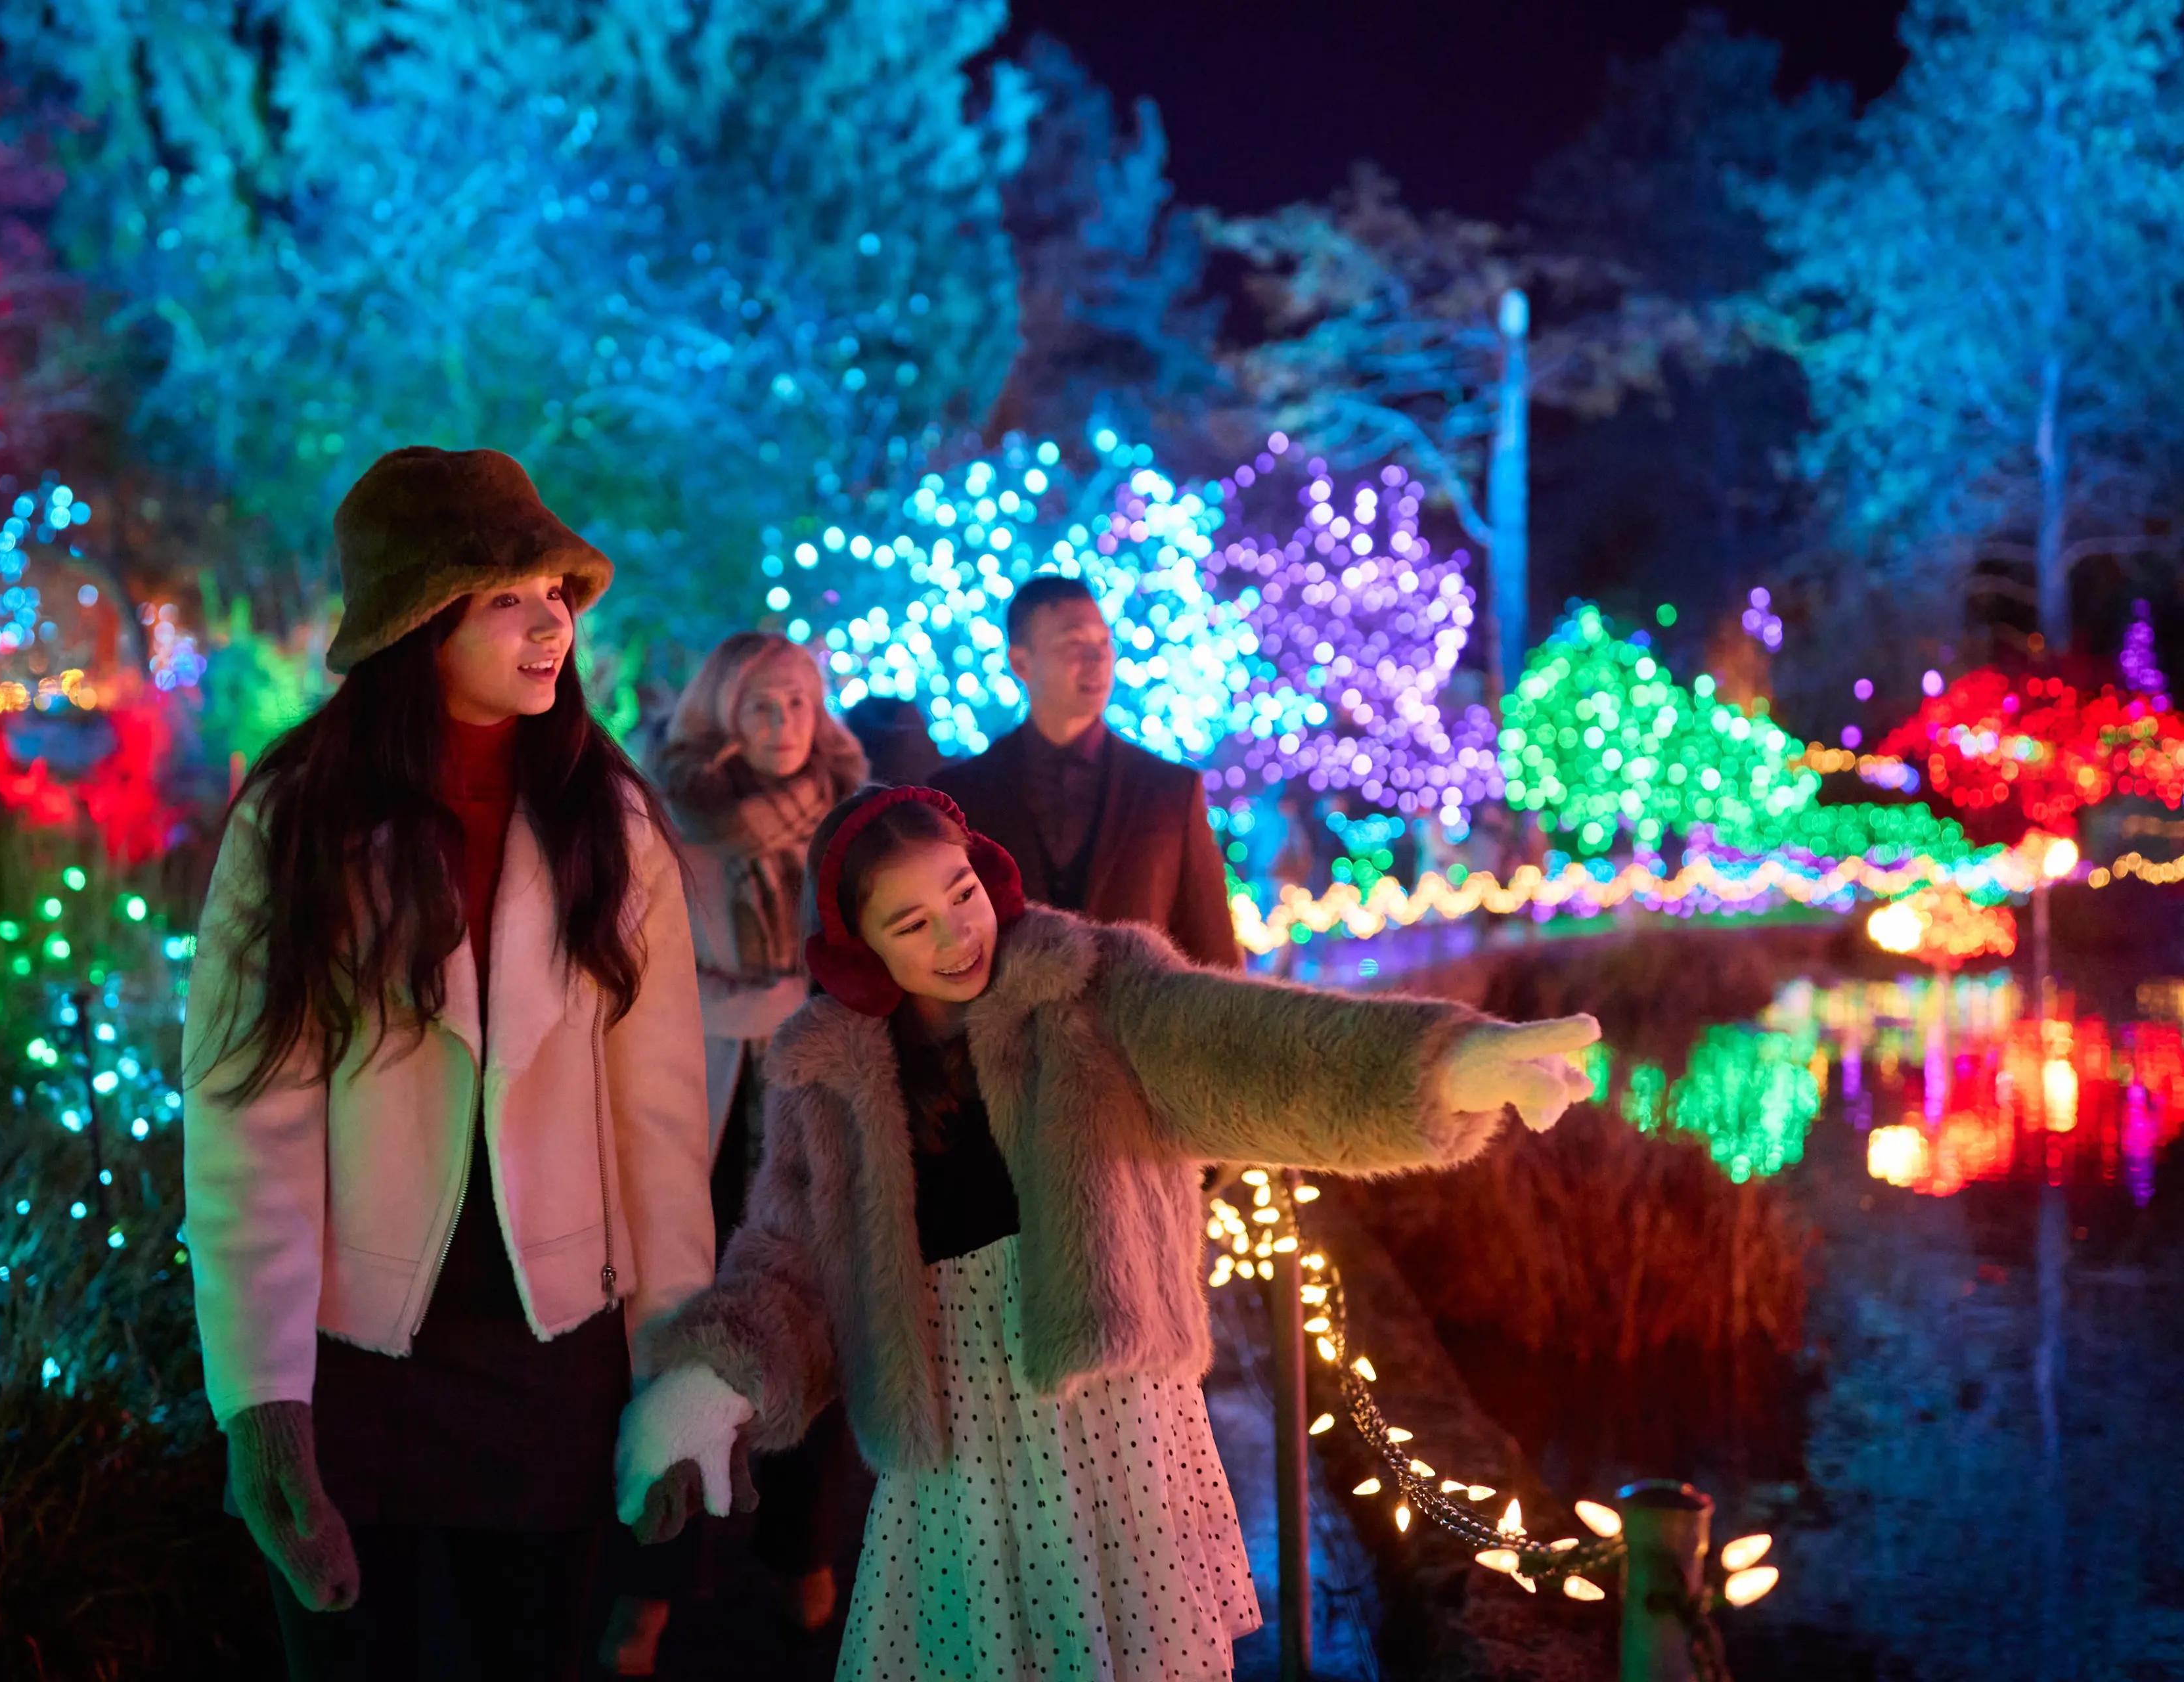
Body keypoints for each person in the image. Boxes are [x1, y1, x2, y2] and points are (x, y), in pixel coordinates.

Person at [614, 784, 1600, 1681]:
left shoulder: (1090, 988)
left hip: (1115, 1419)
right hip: (957, 1447)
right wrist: (717, 1375)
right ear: (860, 948)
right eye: (912, 924)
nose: (959, 934)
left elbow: (1246, 1047)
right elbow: (793, 1265)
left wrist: (1441, 1066)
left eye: (962, 893)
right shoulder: (824, 1077)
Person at [182, 446, 714, 1681]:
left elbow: (662, 1127)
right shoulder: (301, 816)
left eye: (559, 597)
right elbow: (245, 1119)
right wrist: (264, 1411)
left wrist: (677, 1375)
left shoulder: (608, 820)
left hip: (555, 1370)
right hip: (353, 1370)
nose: (552, 628)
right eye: (509, 600)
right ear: (421, 623)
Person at [600, 633, 867, 1670]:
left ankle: (801, 1549)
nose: (784, 723)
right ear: (722, 711)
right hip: (697, 1086)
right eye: (762, 703)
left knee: (816, 1311)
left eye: (800, 702)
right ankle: (654, 1578)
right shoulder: (668, 817)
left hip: (812, 1081)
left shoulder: (852, 814)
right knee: (684, 1323)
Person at [933, 574, 1239, 969]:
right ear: (1021, 663)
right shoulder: (959, 795)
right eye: (1074, 644)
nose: (1097, 661)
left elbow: (1216, 963)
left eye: (1103, 643)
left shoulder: (1171, 791)